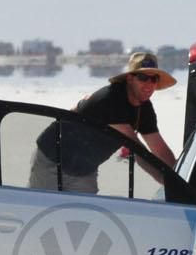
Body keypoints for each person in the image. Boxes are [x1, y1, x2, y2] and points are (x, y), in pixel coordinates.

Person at [28, 51, 178, 193]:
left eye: (153, 79)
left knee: (85, 218)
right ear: (130, 78)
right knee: (42, 212)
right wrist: (171, 184)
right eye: (143, 78)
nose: (149, 84)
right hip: (52, 159)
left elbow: (160, 149)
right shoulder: (111, 99)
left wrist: (180, 177)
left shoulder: (144, 108)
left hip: (84, 169)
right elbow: (138, 151)